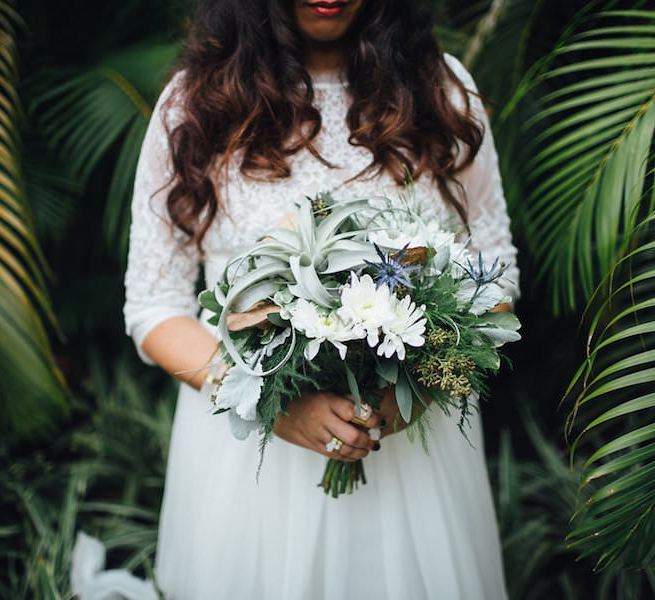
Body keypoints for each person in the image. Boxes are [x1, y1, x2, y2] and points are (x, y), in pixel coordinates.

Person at [122, 0, 519, 598]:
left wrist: (412, 391)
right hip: (248, 469)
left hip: (412, 456)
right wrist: (272, 407)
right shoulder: (196, 104)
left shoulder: (439, 90)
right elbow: (153, 305)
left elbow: (493, 275)